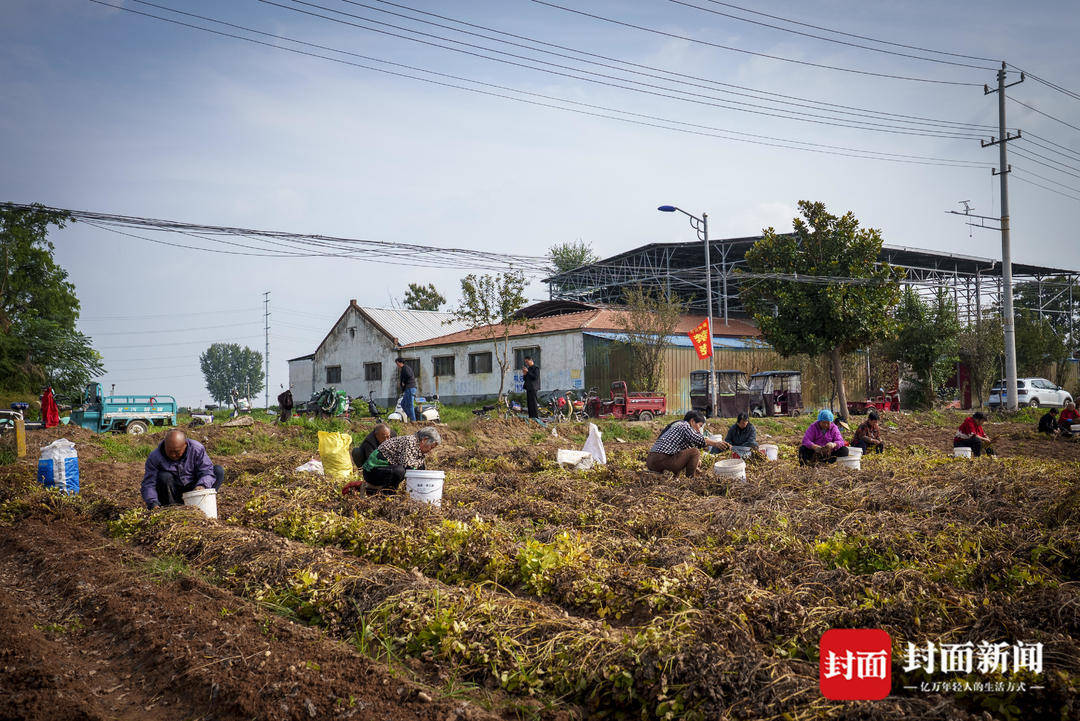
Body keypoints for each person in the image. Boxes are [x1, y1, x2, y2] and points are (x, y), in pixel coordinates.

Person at [141, 429, 225, 509]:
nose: (173, 455)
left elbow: (207, 471)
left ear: (185, 445)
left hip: (194, 487)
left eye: (177, 452)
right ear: (165, 445)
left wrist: (202, 485)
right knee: (163, 476)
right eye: (170, 452)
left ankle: (204, 503)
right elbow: (149, 483)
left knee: (218, 471)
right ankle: (172, 508)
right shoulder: (155, 456)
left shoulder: (196, 449)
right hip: (172, 490)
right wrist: (153, 502)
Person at [355, 426, 441, 495]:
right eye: (431, 447)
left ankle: (392, 492)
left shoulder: (418, 449)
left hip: (385, 470)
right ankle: (387, 495)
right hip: (372, 472)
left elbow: (419, 469)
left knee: (419, 467)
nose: (431, 450)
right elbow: (408, 468)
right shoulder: (410, 442)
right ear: (424, 440)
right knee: (399, 471)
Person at [646, 410, 730, 477]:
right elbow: (697, 439)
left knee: (694, 456)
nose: (699, 430)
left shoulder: (676, 426)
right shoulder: (684, 425)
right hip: (662, 459)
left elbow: (684, 454)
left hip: (651, 461)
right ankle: (690, 480)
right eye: (700, 426)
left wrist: (695, 464)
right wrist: (716, 443)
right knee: (695, 452)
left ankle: (674, 476)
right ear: (692, 421)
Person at [395, 358, 417, 422]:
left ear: (400, 362)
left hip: (410, 388)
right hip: (407, 389)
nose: (397, 365)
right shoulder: (403, 369)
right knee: (403, 404)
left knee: (410, 405)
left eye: (397, 363)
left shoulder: (405, 368)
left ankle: (413, 420)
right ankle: (411, 417)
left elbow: (409, 375)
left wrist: (404, 381)